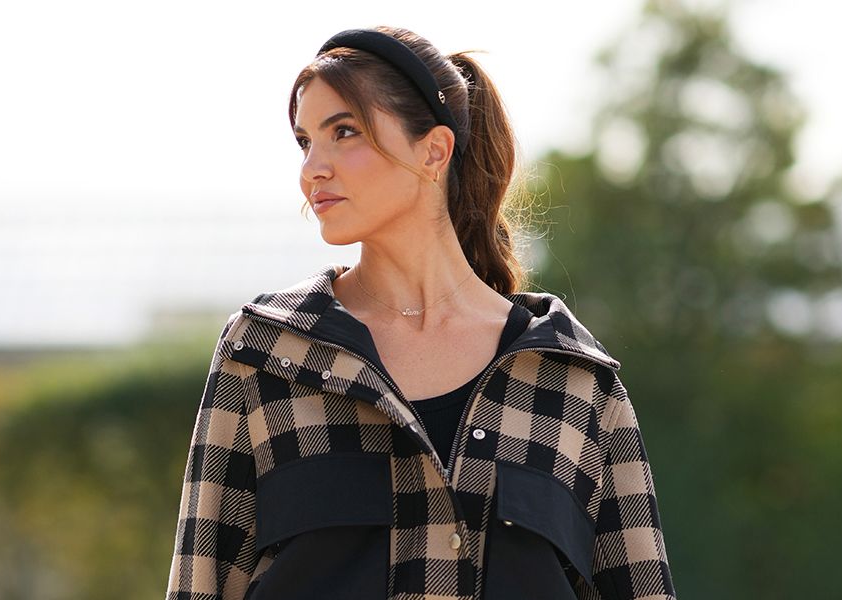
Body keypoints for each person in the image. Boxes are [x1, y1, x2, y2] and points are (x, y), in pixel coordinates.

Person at [165, 25, 676, 600]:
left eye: (344, 132)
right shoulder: (266, 354)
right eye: (305, 142)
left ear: (433, 150)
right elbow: (200, 583)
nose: (314, 169)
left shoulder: (577, 382)